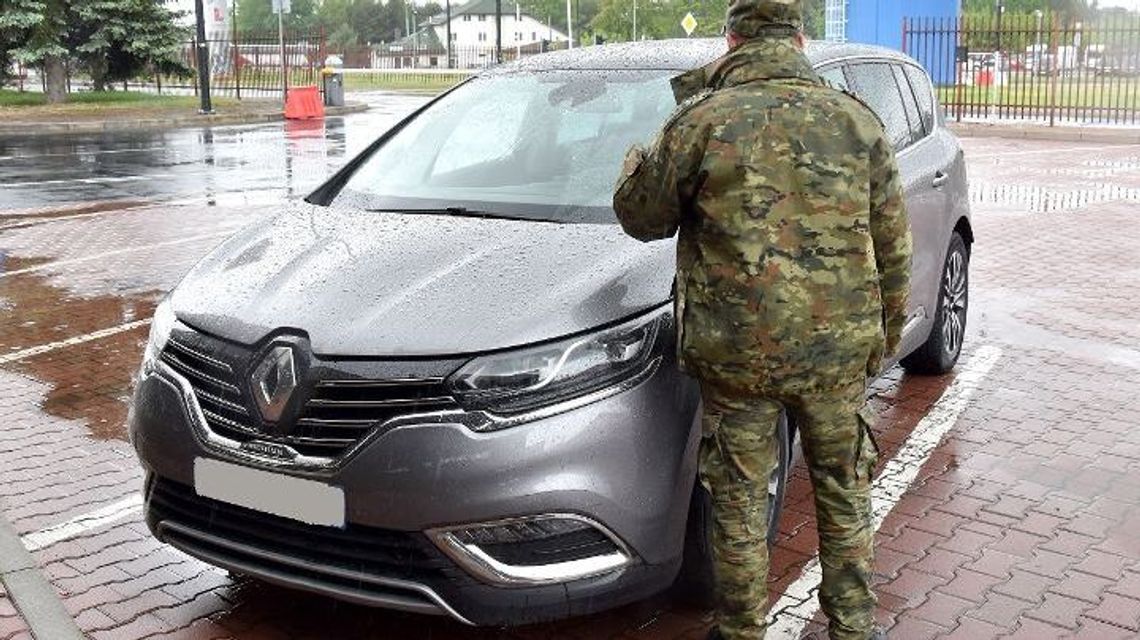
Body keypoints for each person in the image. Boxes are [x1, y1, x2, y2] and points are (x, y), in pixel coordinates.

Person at [611, 1, 912, 639]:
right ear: (800, 39)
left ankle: (742, 630)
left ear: (731, 38)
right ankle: (855, 628)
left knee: (741, 499)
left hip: (736, 354)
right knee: (842, 485)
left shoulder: (700, 122)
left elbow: (642, 218)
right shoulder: (856, 121)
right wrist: (883, 337)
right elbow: (893, 245)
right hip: (836, 353)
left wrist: (637, 158)